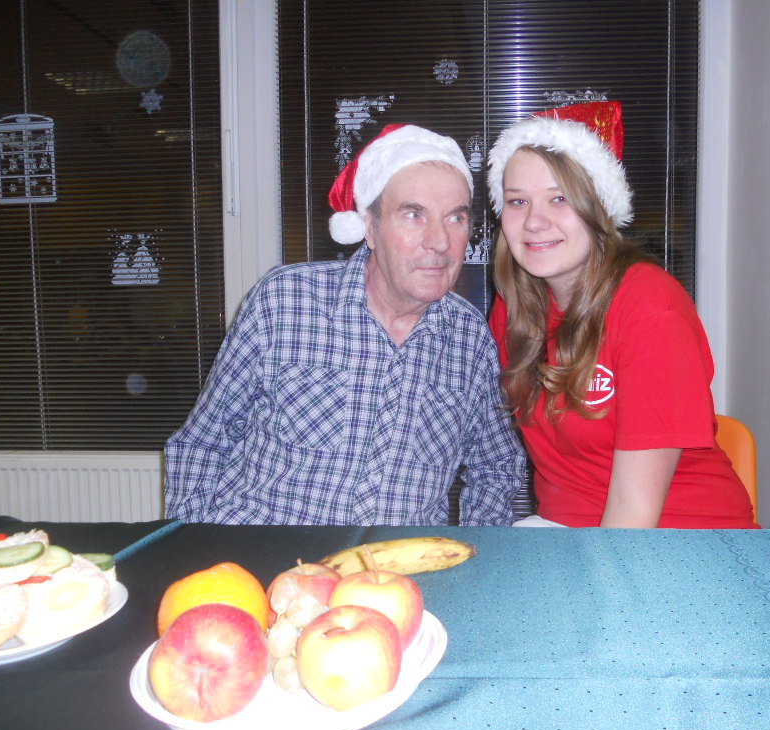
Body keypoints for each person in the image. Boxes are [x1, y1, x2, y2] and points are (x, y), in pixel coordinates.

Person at [165, 124, 525, 525]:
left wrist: (474, 550)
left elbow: (496, 466)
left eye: (455, 218)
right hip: (263, 548)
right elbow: (203, 443)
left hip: (393, 560)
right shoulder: (285, 302)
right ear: (369, 226)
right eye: (413, 214)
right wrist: (194, 548)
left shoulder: (469, 338)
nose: (440, 241)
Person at [486, 102, 756, 529]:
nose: (534, 222)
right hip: (566, 533)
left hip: (681, 540)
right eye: (518, 201)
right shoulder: (515, 309)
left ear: (599, 208)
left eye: (559, 198)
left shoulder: (649, 306)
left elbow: (634, 516)